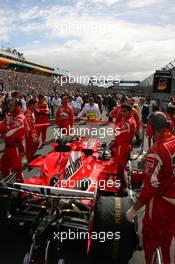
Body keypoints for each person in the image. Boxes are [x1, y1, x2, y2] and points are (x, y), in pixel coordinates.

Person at [126, 112, 175, 264]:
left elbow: (150, 188)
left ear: (151, 128)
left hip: (161, 204)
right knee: (165, 242)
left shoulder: (157, 151)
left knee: (152, 242)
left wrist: (134, 209)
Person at [0, 99, 28, 182]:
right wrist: (5, 127)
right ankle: (9, 184)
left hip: (16, 148)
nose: (9, 107)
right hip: (8, 147)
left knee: (17, 171)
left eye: (12, 105)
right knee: (3, 166)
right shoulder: (10, 115)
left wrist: (5, 128)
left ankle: (23, 192)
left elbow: (9, 133)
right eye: (9, 105)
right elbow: (2, 125)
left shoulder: (20, 118)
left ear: (18, 106)